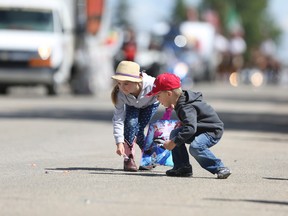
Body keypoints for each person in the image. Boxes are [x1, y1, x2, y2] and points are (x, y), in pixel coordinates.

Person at [146, 73, 231, 179]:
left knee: (196, 147)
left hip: (211, 130)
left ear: (169, 94)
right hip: (200, 128)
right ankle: (182, 167)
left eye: (158, 96)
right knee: (175, 133)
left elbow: (190, 128)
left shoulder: (185, 106)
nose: (157, 99)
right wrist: (183, 123)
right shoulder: (182, 100)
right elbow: (193, 120)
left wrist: (173, 143)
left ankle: (220, 168)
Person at [111, 61, 159, 172]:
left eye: (126, 83)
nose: (122, 88)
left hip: (150, 104)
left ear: (137, 81)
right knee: (131, 124)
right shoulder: (120, 94)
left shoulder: (152, 84)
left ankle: (149, 156)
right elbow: (118, 119)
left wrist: (170, 109)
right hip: (132, 104)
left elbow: (170, 91)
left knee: (138, 129)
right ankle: (128, 158)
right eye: (119, 83)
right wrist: (119, 142)